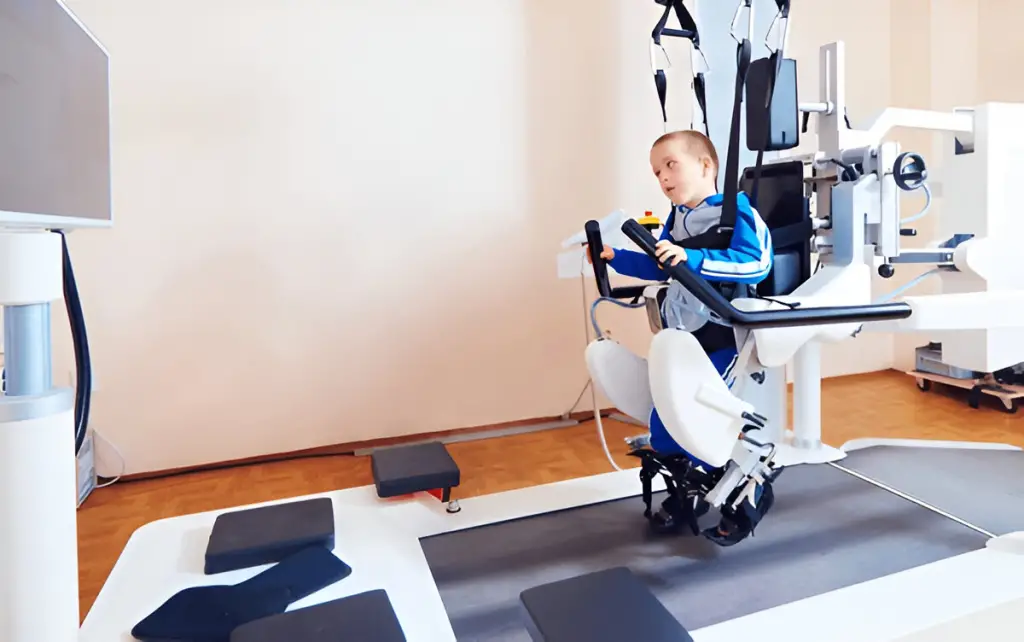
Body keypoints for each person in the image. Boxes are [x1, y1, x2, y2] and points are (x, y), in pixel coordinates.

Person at [588, 129, 774, 542]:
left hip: (722, 335)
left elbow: (756, 264)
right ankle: (687, 492)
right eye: (657, 172)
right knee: (664, 425)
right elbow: (662, 266)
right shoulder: (677, 219)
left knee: (692, 421)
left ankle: (751, 490)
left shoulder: (735, 209)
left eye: (671, 165)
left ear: (706, 166)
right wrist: (619, 259)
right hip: (682, 335)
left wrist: (694, 258)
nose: (663, 178)